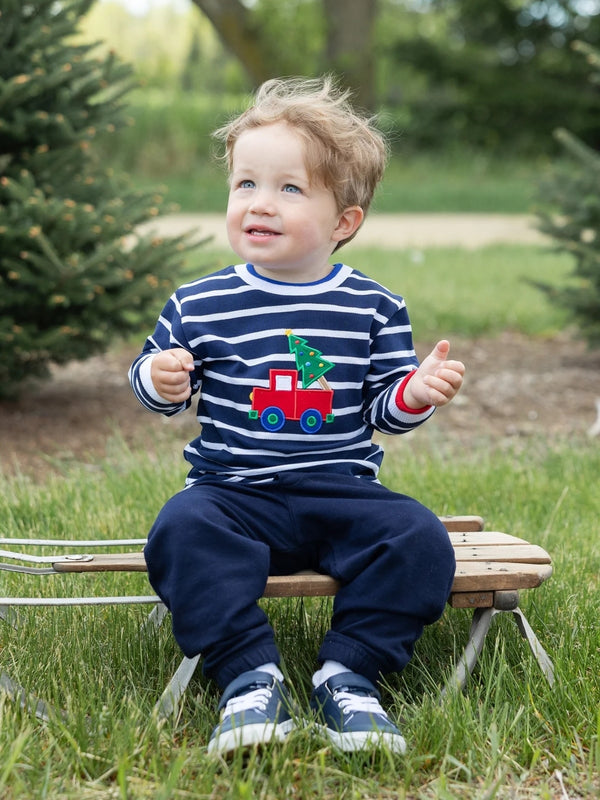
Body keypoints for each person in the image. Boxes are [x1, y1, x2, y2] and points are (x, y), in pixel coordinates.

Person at [129, 76, 465, 756]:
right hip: (232, 495)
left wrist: (414, 395)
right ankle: (249, 677)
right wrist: (158, 378)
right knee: (179, 527)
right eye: (245, 184)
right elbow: (153, 386)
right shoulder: (199, 303)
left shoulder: (374, 306)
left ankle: (350, 674)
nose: (260, 203)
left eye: (289, 188)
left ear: (344, 221)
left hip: (343, 494)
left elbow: (383, 409)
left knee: (421, 538)